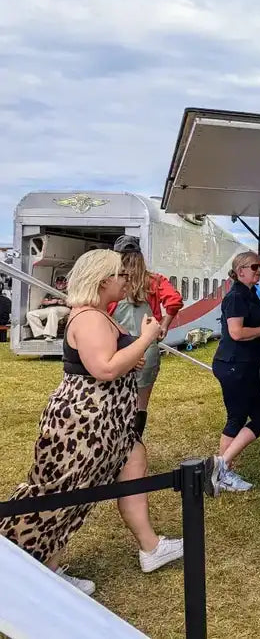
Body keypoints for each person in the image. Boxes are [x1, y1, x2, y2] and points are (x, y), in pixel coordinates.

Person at [0, 249, 183, 596]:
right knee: (59, 496)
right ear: (103, 281)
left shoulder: (97, 314)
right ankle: (20, 562)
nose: (127, 280)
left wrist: (134, 354)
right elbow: (105, 368)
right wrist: (145, 338)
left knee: (134, 460)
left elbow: (114, 360)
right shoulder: (89, 319)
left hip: (107, 423)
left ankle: (150, 546)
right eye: (121, 275)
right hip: (84, 425)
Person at [205, 251, 260, 495]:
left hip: (243, 365)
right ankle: (220, 469)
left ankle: (222, 468)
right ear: (240, 271)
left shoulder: (249, 293)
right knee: (242, 418)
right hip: (234, 365)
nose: (259, 270)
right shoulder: (237, 295)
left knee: (258, 417)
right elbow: (237, 332)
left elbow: (251, 322)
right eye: (254, 267)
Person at [107, 235, 183, 438]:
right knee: (141, 404)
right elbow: (174, 301)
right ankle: (135, 442)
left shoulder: (111, 282)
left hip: (117, 348)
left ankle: (116, 441)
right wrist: (164, 325)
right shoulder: (155, 280)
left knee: (114, 398)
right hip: (146, 347)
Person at [25, 275, 70, 340]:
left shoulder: (69, 291)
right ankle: (40, 333)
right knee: (30, 314)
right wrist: (52, 302)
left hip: (64, 308)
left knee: (53, 310)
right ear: (56, 283)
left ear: (66, 283)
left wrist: (64, 302)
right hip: (50, 308)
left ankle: (50, 335)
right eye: (58, 282)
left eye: (62, 283)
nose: (60, 284)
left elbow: (73, 302)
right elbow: (43, 302)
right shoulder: (52, 292)